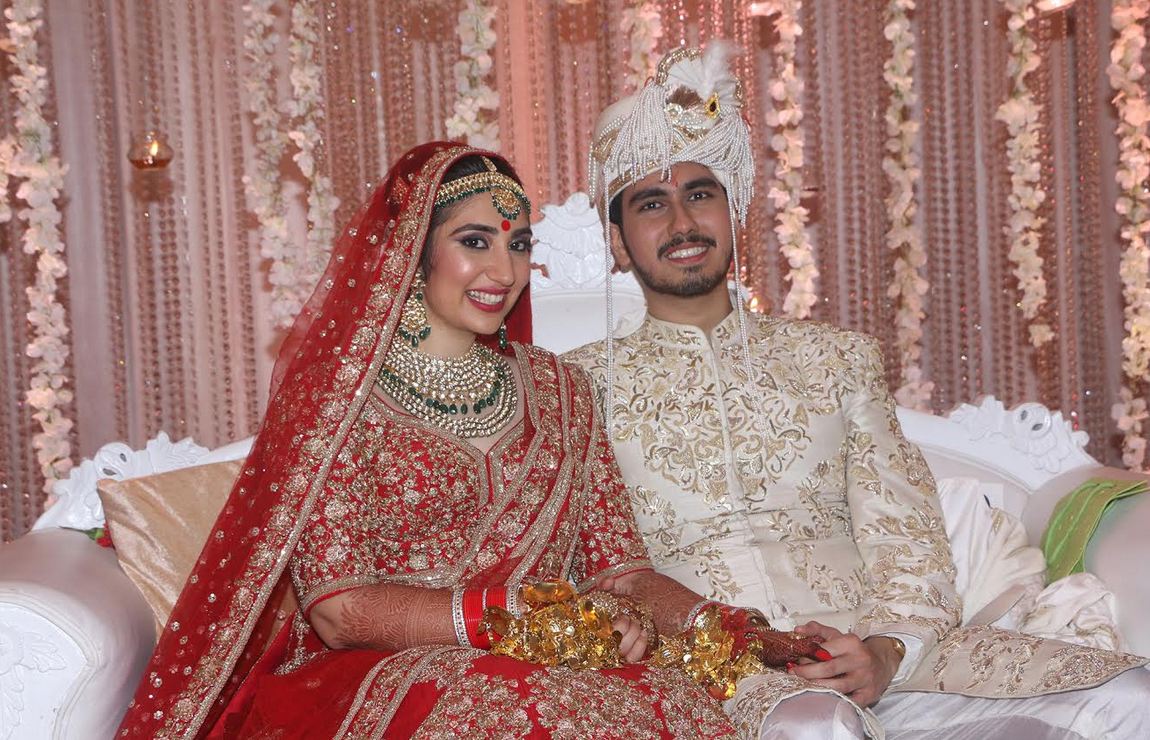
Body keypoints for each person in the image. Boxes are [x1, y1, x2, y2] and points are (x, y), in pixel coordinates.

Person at [565, 43, 1150, 739]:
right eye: (651, 204)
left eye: (700, 194)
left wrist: (887, 649)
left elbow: (907, 536)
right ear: (619, 241)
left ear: (732, 210)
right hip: (716, 680)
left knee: (1130, 694)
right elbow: (581, 569)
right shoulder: (574, 389)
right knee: (817, 726)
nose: (683, 223)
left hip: (883, 663)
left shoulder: (836, 360)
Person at [117, 142, 758, 737]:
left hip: (558, 657)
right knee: (514, 710)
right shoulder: (339, 402)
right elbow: (338, 611)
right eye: (474, 241)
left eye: (518, 245)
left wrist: (725, 627)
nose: (504, 271)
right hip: (387, 667)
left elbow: (622, 572)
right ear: (413, 250)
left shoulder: (562, 391)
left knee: (673, 703)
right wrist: (513, 615)